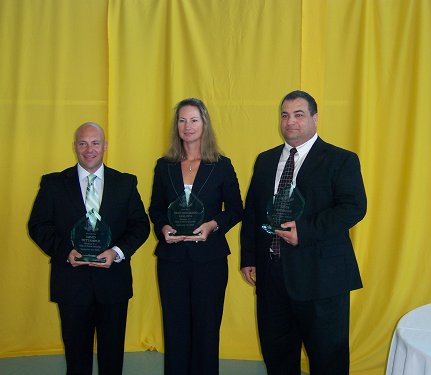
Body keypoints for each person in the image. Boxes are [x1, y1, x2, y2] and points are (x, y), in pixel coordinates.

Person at [240, 90, 367, 375]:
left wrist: (305, 232)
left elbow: (354, 207)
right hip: (272, 278)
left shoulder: (340, 160)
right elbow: (252, 213)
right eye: (285, 115)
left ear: (315, 118)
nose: (290, 122)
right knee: (278, 359)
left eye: (299, 115)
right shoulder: (265, 160)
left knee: (327, 362)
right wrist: (249, 257)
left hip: (321, 279)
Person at [28, 122, 150, 375]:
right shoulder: (53, 184)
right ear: (74, 147)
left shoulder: (125, 183)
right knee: (76, 359)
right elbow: (38, 225)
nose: (89, 149)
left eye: (95, 143)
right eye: (83, 143)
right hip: (72, 284)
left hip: (113, 284)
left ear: (105, 146)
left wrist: (116, 252)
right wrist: (65, 251)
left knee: (112, 358)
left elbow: (140, 226)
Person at [149, 98, 243, 375]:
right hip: (172, 260)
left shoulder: (222, 165)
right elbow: (156, 209)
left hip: (209, 260)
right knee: (175, 329)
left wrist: (213, 224)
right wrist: (163, 228)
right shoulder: (164, 165)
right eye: (182, 120)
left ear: (204, 124)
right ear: (176, 126)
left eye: (193, 120)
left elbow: (236, 210)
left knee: (206, 329)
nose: (187, 126)